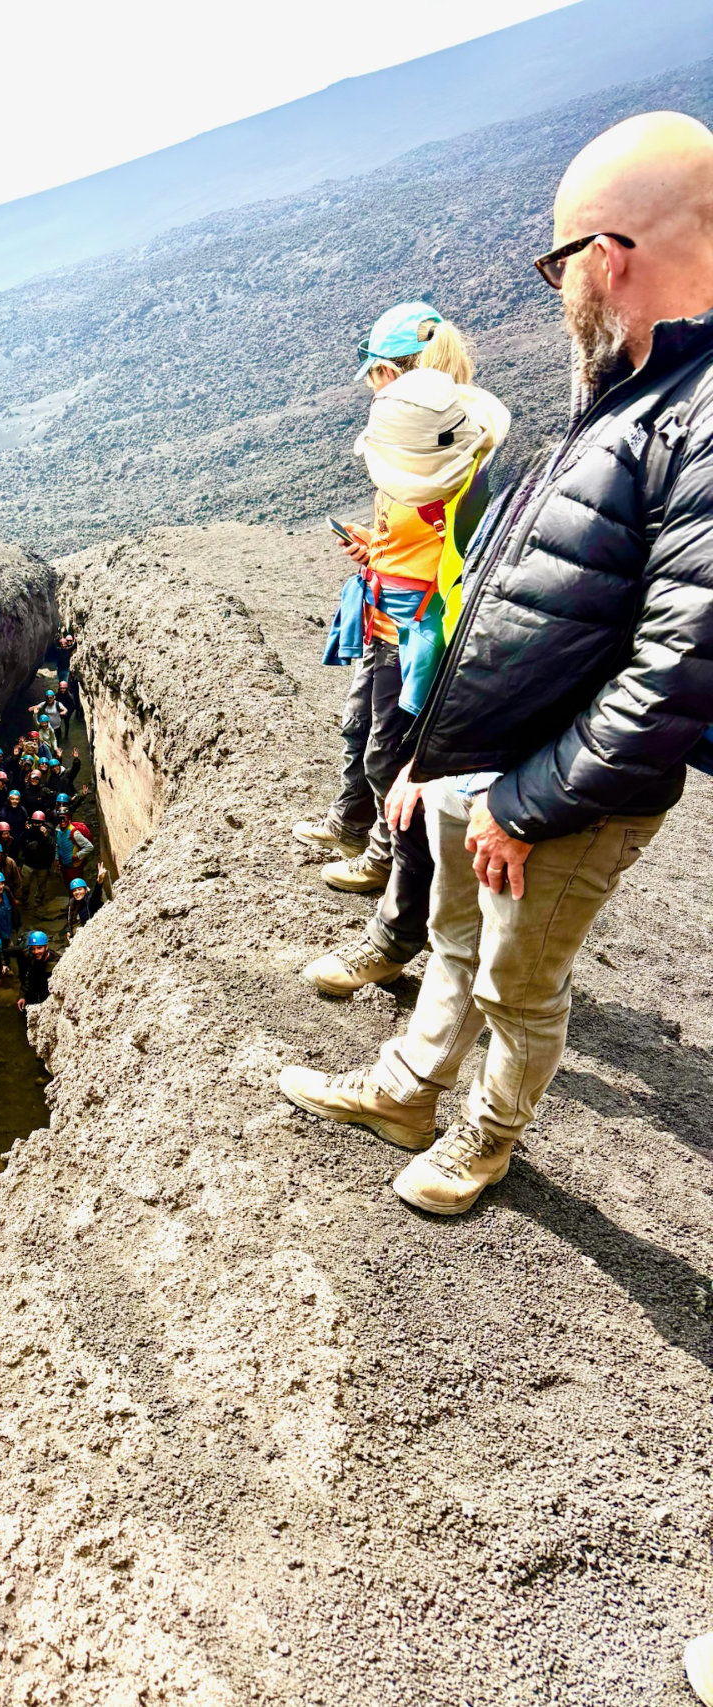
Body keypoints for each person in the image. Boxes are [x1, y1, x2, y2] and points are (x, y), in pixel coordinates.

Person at [280, 111, 713, 1216]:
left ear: (604, 257)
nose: (558, 289)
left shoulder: (693, 413)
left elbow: (677, 670)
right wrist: (438, 763)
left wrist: (525, 804)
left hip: (566, 789)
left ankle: (482, 1139)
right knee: (455, 937)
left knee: (520, 981)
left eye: (559, 263)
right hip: (505, 764)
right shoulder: (637, 384)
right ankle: (407, 1089)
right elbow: (523, 601)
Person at [299, 308, 510, 995]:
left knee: (401, 771)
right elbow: (415, 545)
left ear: (391, 373)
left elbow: (457, 567)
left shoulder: (454, 465)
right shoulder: (424, 447)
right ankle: (378, 859)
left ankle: (393, 925)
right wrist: (374, 550)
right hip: (392, 620)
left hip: (421, 638)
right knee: (371, 743)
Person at [20, 810, 56, 904]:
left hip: (43, 864)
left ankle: (39, 899)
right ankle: (24, 898)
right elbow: (21, 842)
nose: (36, 825)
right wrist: (25, 831)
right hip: (29, 862)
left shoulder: (47, 830)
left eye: (39, 823)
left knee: (41, 885)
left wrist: (45, 835)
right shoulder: (29, 830)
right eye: (35, 822)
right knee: (25, 884)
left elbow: (51, 844)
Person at [54, 808, 94, 889]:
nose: (62, 821)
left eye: (64, 818)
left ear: (68, 818)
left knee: (77, 887)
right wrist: (57, 858)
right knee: (68, 886)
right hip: (64, 865)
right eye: (60, 819)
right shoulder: (58, 830)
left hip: (74, 867)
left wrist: (77, 856)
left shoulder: (74, 833)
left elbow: (89, 846)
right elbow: (58, 845)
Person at [17, 930, 56, 1012]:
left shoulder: (56, 963)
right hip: (35, 996)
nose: (35, 952)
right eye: (33, 949)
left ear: (46, 947)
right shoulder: (32, 959)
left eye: (39, 948)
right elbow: (28, 978)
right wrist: (22, 996)